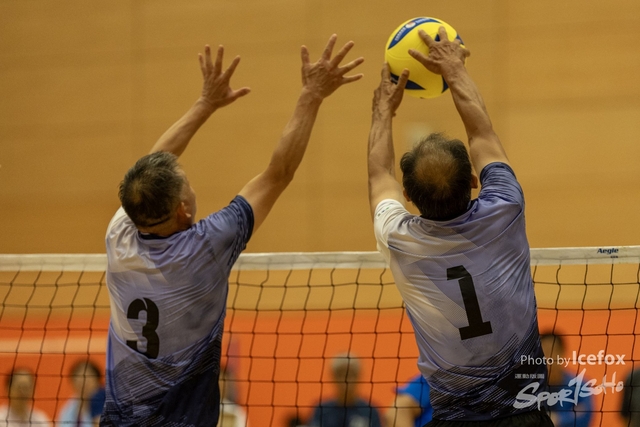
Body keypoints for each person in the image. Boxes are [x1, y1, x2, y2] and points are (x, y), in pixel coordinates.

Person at [100, 36, 363, 427]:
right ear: (184, 210)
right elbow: (278, 174)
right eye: (186, 184)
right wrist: (311, 95)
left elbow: (152, 166)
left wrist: (205, 104)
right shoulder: (205, 247)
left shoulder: (119, 233)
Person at [367, 26, 552, 426]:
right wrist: (454, 70)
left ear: (409, 197)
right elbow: (482, 134)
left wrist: (383, 111)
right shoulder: (504, 209)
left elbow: (379, 175)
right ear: (473, 181)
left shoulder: (399, 240)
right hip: (526, 416)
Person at [309, 354, 382, 427]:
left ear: (359, 376)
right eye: (341, 374)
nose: (346, 379)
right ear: (333, 377)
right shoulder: (321, 410)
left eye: (351, 374)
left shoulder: (370, 411)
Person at [539, 334, 593, 427]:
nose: (548, 357)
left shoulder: (579, 385)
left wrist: (558, 419)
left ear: (562, 353)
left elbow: (585, 416)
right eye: (545, 352)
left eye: (552, 351)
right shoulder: (531, 385)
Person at [56, 360, 105, 427]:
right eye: (79, 379)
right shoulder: (67, 409)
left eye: (88, 379)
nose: (83, 383)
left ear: (97, 380)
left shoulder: (106, 404)